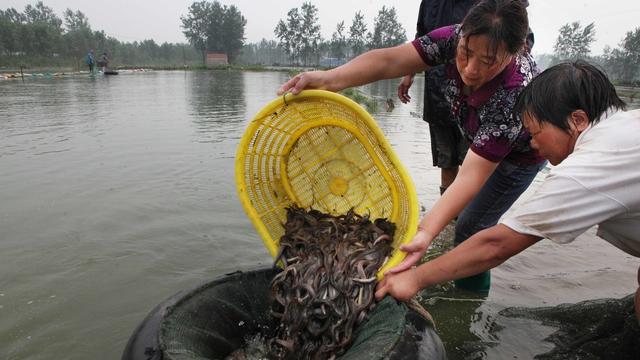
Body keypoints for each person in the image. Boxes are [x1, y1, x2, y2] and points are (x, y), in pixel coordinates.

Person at [278, 0, 544, 292]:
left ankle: (470, 300)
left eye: (488, 61)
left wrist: (425, 232)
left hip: (523, 155)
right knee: (460, 213)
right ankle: (453, 267)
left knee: (471, 227)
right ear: (462, 36)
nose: (470, 69)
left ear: (514, 52)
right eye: (466, 53)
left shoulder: (513, 93)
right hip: (479, 131)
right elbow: (389, 61)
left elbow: (472, 176)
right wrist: (329, 79)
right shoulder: (454, 38)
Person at [375, 60, 640, 323]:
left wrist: (416, 278)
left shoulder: (590, 166)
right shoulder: (627, 127)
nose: (533, 144)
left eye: (535, 132)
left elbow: (498, 245)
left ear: (578, 119)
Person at [398, 0, 479, 196]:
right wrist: (409, 72)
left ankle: (470, 220)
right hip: (438, 91)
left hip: (474, 94)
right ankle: (449, 219)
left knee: (475, 162)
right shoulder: (430, 2)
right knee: (447, 160)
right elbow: (421, 40)